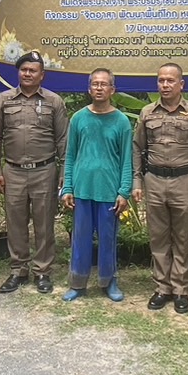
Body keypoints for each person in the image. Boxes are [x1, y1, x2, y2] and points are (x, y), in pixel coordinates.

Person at [134, 63, 188, 315]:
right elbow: (137, 148)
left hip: (184, 182)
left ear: (181, 84)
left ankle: (180, 289)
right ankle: (162, 287)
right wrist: (137, 181)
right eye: (161, 80)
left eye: (170, 80)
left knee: (182, 237)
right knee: (158, 237)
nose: (165, 85)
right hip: (154, 181)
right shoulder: (147, 112)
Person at [0, 50, 68, 294]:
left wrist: (65, 172)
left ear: (42, 75)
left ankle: (42, 271)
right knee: (15, 223)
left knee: (44, 224)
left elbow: (63, 139)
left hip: (45, 170)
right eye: (23, 70)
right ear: (18, 73)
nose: (27, 74)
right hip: (13, 171)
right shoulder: (3, 100)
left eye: (33, 70)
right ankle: (18, 270)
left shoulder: (54, 101)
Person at [60, 68, 133, 302]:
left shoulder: (121, 121)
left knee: (107, 239)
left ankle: (109, 281)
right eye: (95, 84)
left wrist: (124, 191)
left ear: (113, 89)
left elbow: (127, 160)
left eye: (104, 84)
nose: (99, 88)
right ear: (89, 88)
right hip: (82, 189)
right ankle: (78, 283)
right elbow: (70, 155)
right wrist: (67, 187)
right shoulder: (78, 118)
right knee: (80, 239)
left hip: (109, 191)